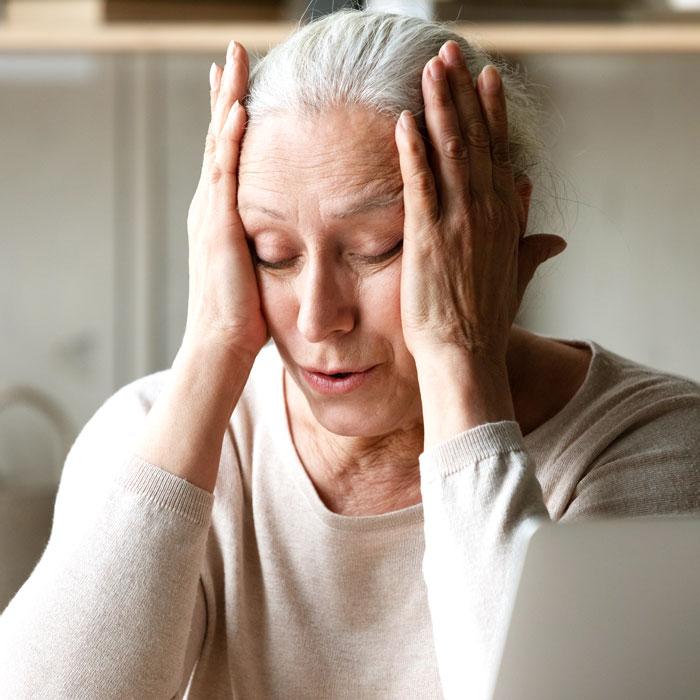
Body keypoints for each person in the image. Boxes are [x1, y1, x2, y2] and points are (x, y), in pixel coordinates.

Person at [1, 9, 699, 700]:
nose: (317, 316)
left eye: (376, 250)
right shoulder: (157, 434)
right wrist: (212, 343)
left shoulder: (654, 447)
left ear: (493, 224)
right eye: (272, 254)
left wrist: (459, 355)